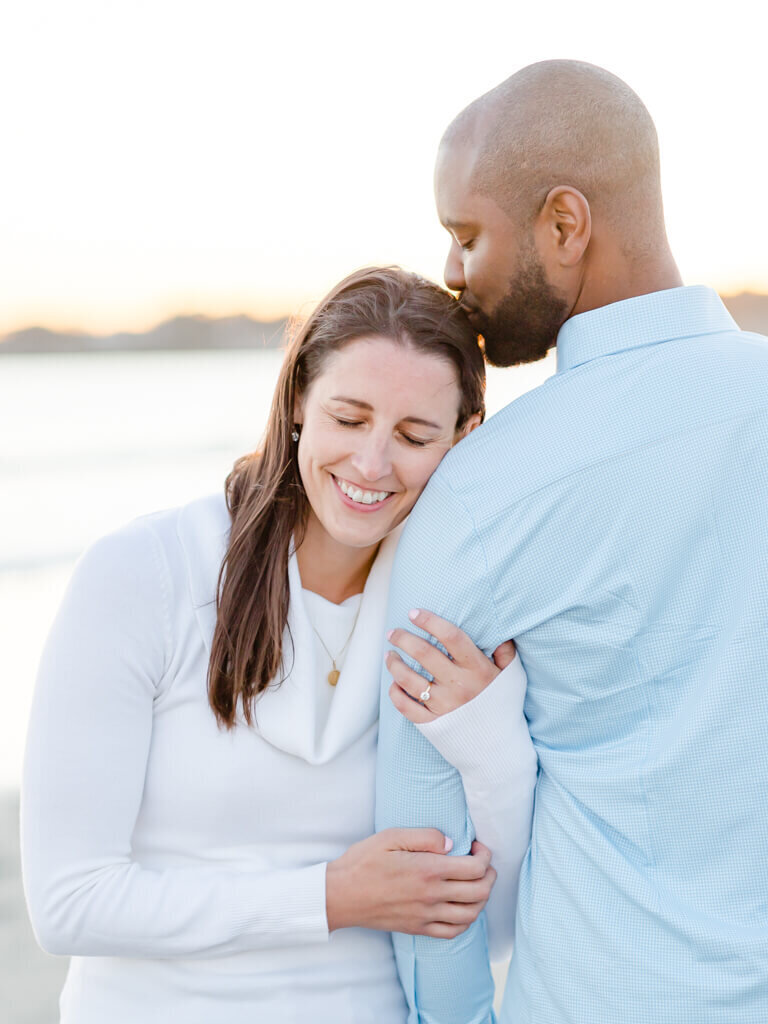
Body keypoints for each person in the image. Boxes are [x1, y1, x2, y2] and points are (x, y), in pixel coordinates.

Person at [21, 266, 537, 1024]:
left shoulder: (455, 626)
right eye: (349, 418)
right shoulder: (148, 572)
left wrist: (491, 737)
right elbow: (69, 902)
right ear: (298, 399)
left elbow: (493, 925)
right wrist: (330, 896)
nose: (372, 464)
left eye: (414, 435)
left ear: (465, 437)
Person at [376, 60, 768, 1023]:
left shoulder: (481, 490)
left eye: (465, 236)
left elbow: (428, 853)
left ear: (564, 222)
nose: (453, 273)